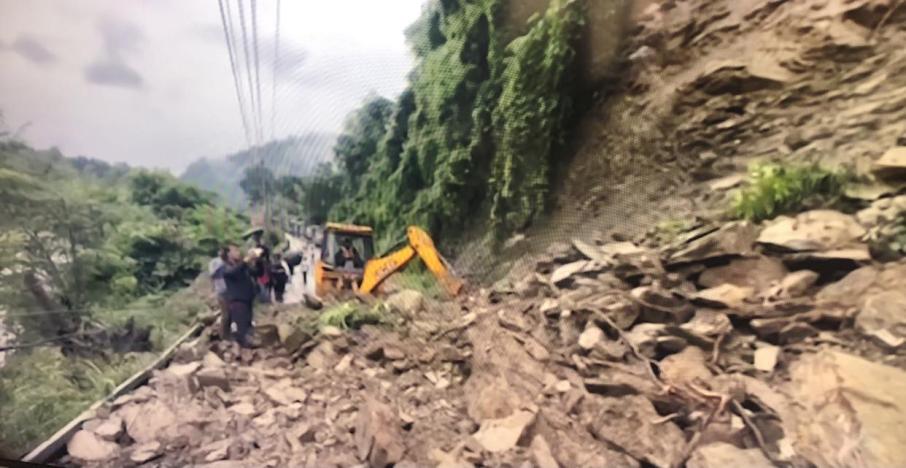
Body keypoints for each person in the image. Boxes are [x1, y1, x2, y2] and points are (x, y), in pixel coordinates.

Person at [222, 244, 259, 348]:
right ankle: (241, 351)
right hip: (238, 301)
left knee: (248, 326)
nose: (238, 252)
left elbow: (256, 272)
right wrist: (246, 261)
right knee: (240, 329)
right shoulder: (226, 267)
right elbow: (233, 272)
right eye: (235, 250)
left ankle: (249, 348)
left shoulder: (242, 266)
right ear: (228, 254)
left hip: (248, 300)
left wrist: (257, 261)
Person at [208, 247, 230, 339]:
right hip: (221, 291)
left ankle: (230, 333)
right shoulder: (214, 262)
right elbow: (212, 274)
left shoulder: (229, 262)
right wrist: (221, 265)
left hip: (231, 290)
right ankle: (223, 336)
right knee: (225, 314)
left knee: (232, 313)